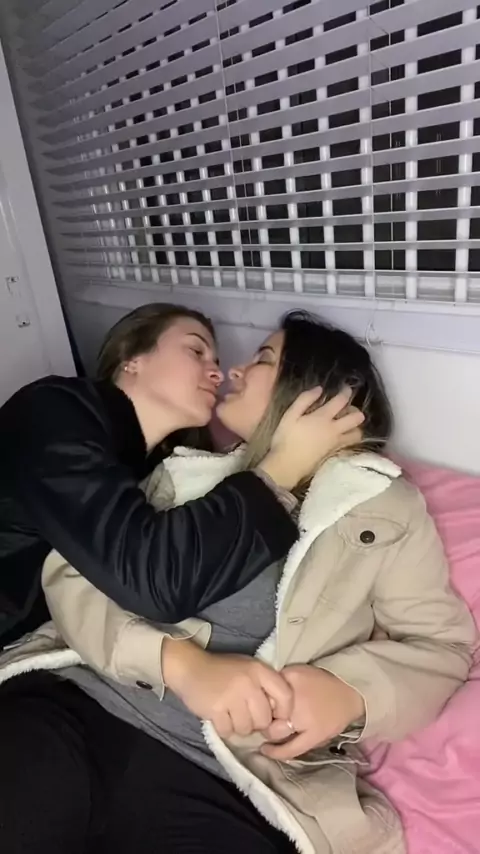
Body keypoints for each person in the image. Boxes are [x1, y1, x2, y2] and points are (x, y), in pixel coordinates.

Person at [0, 311, 474, 854]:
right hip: (84, 703)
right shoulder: (184, 469)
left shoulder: (383, 504)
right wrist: (181, 664)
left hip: (228, 775)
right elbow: (73, 577)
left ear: (317, 394)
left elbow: (441, 646)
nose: (232, 372)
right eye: (201, 352)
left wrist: (348, 694)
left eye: (262, 359)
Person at [0, 302, 362, 647]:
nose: (218, 373)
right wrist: (281, 469)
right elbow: (153, 580)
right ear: (133, 359)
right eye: (196, 351)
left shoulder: (160, 468)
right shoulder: (54, 412)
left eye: (216, 361)